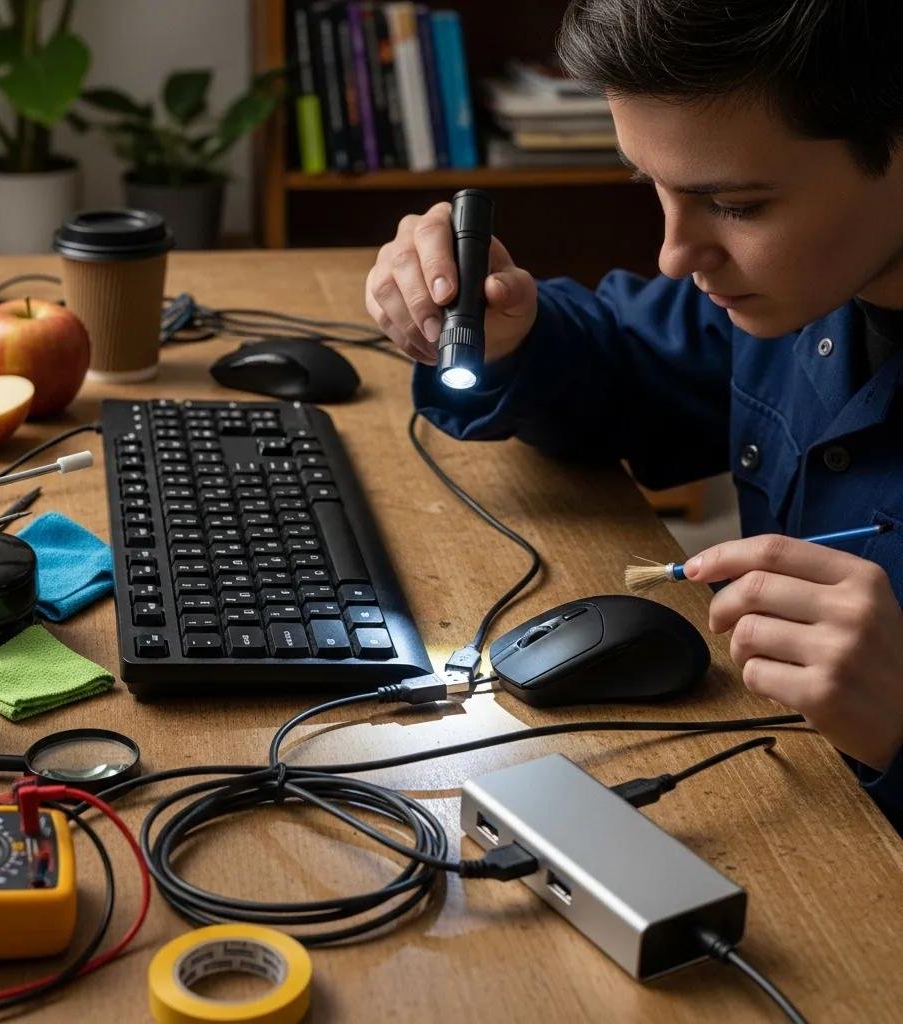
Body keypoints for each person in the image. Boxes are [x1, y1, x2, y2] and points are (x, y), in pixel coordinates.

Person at [364, 0, 903, 833]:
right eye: (651, 184)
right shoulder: (809, 293)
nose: (674, 254)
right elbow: (627, 354)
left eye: (739, 204)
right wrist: (514, 333)